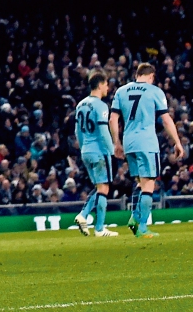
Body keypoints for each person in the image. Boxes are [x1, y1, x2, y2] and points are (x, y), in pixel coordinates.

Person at [109, 63, 186, 238]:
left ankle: (134, 219)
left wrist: (116, 143)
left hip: (129, 143)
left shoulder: (121, 91)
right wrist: (177, 142)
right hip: (147, 142)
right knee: (149, 185)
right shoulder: (154, 91)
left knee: (140, 183)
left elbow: (113, 118)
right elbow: (166, 120)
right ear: (151, 76)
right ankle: (142, 227)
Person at [72, 72, 117, 237]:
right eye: (106, 84)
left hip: (86, 151)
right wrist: (111, 150)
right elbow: (103, 131)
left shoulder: (80, 105)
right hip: (99, 151)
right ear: (99, 85)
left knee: (99, 187)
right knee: (104, 188)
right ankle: (98, 227)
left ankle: (85, 216)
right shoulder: (101, 106)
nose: (107, 88)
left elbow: (77, 131)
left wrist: (84, 148)